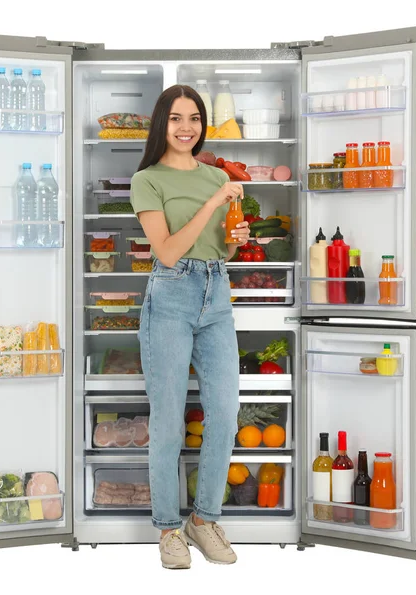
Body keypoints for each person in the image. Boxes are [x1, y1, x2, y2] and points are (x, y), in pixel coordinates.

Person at [130, 84, 250, 569]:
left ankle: (203, 521)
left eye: (195, 119)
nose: (187, 128)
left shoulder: (215, 175)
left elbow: (224, 246)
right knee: (168, 421)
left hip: (216, 293)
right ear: (163, 123)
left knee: (224, 412)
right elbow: (167, 250)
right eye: (177, 118)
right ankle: (167, 529)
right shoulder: (148, 180)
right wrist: (213, 200)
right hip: (171, 296)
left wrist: (236, 237)